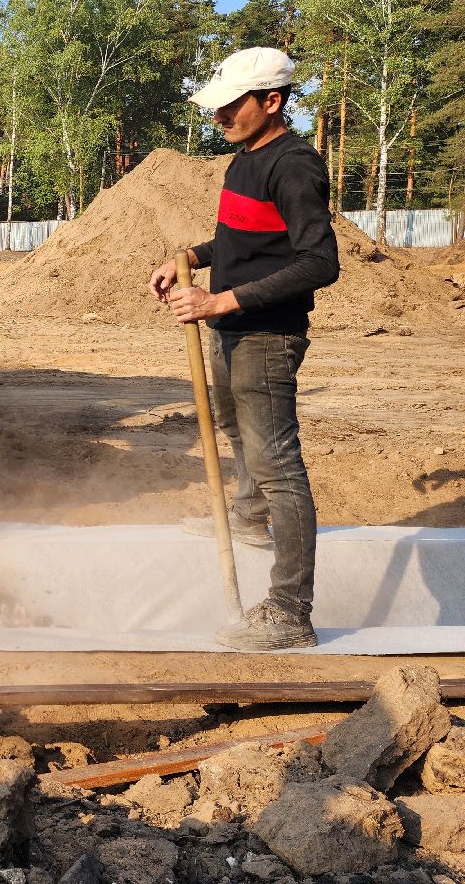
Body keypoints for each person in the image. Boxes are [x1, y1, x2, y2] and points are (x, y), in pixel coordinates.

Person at [149, 46, 340, 651]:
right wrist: (191, 257)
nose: (219, 117)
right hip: (232, 327)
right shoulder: (244, 159)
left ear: (272, 101)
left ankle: (290, 611)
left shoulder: (294, 166)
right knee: (236, 430)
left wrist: (219, 301)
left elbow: (319, 262)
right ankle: (249, 518)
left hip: (267, 335)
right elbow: (245, 239)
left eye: (231, 106)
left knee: (278, 463)